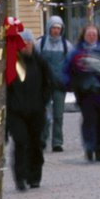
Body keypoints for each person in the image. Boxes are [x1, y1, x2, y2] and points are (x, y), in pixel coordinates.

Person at [63, 23, 100, 162]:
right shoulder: (77, 52)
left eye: (94, 34)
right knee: (89, 120)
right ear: (84, 36)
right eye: (89, 34)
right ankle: (89, 146)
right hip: (87, 93)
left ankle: (99, 148)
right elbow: (67, 69)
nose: (91, 36)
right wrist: (66, 83)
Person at [7, 30, 53, 190]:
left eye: (28, 42)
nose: (26, 45)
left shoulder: (40, 62)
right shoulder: (12, 63)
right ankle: (20, 176)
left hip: (36, 111)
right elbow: (6, 87)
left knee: (36, 143)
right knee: (20, 141)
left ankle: (34, 176)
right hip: (16, 112)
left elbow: (49, 82)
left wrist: (43, 100)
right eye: (23, 43)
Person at [36, 15, 71, 153]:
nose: (56, 31)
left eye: (58, 28)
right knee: (45, 114)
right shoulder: (41, 43)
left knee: (58, 115)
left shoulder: (66, 45)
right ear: (49, 28)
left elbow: (71, 64)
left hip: (59, 85)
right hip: (44, 84)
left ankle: (57, 142)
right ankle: (42, 139)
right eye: (54, 28)